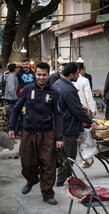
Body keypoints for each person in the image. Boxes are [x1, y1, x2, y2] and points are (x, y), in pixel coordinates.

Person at [8, 62, 63, 205]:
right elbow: (16, 109)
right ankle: (32, 180)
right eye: (39, 74)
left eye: (44, 75)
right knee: (27, 163)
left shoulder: (54, 92)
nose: (41, 77)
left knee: (48, 165)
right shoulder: (27, 89)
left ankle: (47, 193)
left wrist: (59, 137)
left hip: (47, 134)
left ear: (48, 75)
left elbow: (58, 115)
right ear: (35, 74)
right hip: (28, 132)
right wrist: (11, 127)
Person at [53, 62, 97, 186]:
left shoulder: (58, 83)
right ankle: (62, 181)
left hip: (62, 125)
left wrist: (79, 106)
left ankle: (67, 180)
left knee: (65, 155)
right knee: (68, 157)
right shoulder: (68, 89)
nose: (79, 76)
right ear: (71, 74)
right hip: (68, 126)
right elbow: (76, 110)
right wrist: (90, 121)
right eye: (77, 73)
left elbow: (71, 106)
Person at [4, 64, 20, 136]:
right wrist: (15, 98)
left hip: (10, 98)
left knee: (12, 115)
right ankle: (14, 132)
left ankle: (10, 131)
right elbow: (11, 89)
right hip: (12, 99)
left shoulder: (11, 77)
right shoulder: (12, 77)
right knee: (15, 115)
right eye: (17, 68)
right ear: (15, 69)